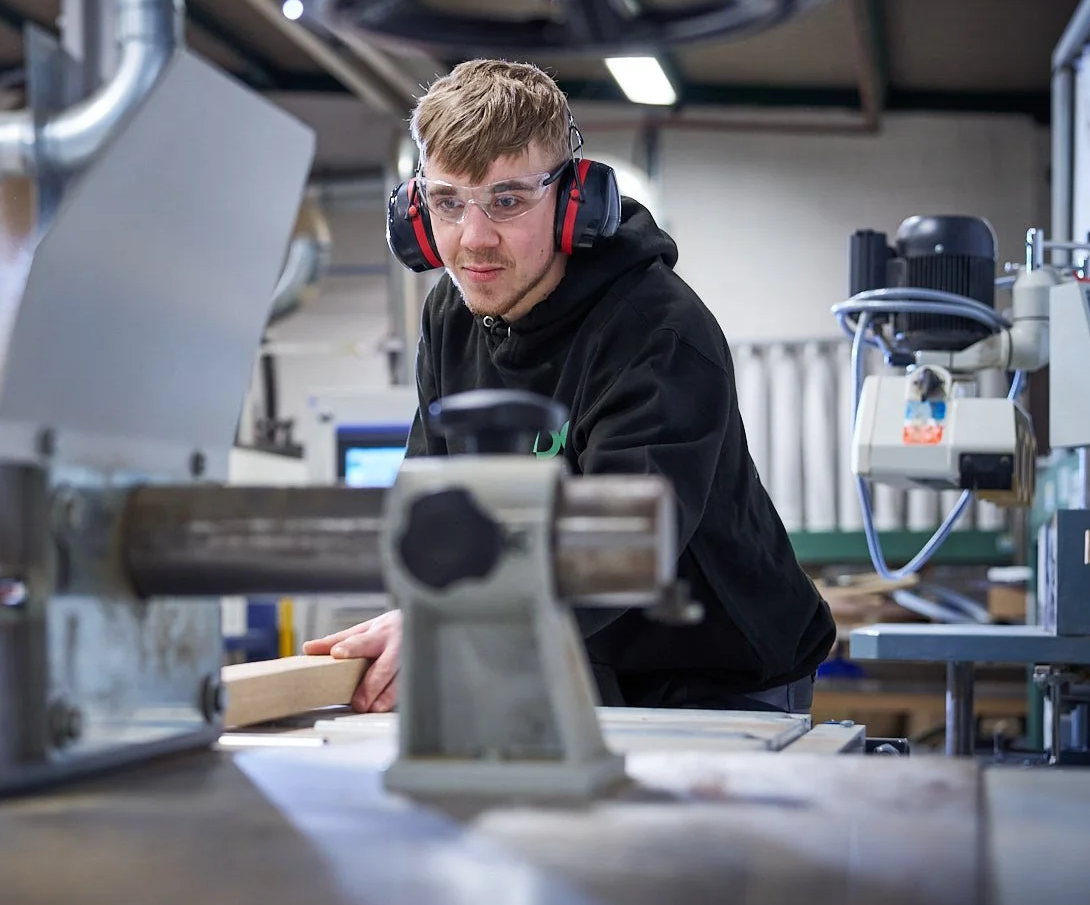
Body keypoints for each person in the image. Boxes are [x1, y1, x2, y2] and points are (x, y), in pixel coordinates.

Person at [302, 59, 836, 715]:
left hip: (720, 674)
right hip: (572, 660)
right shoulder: (452, 315)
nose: (473, 239)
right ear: (414, 210)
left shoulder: (658, 331)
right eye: (447, 202)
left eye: (507, 200)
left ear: (573, 201)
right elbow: (432, 499)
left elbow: (624, 547)